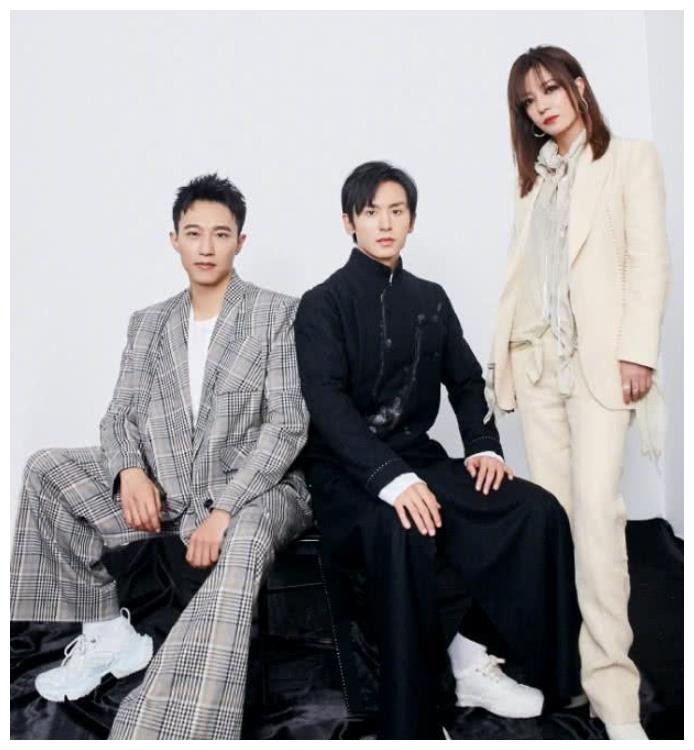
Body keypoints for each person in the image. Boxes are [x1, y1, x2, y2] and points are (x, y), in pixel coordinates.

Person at [10, 174, 312, 740]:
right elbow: (118, 416)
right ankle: (107, 633)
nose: (206, 247)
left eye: (220, 234)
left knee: (245, 540)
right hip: (168, 488)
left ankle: (179, 722)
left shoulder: (278, 314)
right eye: (193, 233)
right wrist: (129, 470)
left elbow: (288, 424)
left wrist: (224, 510)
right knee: (47, 469)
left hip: (259, 490)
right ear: (174, 239)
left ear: (240, 241)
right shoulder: (148, 323)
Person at [294, 161, 582, 739]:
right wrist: (390, 478)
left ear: (412, 220)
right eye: (371, 212)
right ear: (349, 222)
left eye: (396, 211)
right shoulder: (322, 303)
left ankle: (473, 656)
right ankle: (416, 716)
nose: (384, 223)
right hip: (348, 473)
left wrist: (485, 448)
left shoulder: (430, 297)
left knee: (535, 509)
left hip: (419, 457)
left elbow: (468, 382)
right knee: (404, 526)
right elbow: (326, 404)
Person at [487, 45, 670, 740]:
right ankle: (567, 674)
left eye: (550, 90)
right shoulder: (532, 182)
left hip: (598, 368)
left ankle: (615, 697)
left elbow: (648, 260)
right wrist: (505, 365)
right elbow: (521, 277)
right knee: (556, 525)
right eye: (529, 102)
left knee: (598, 518)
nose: (542, 107)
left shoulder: (629, 160)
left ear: (579, 87)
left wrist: (638, 352)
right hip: (537, 370)